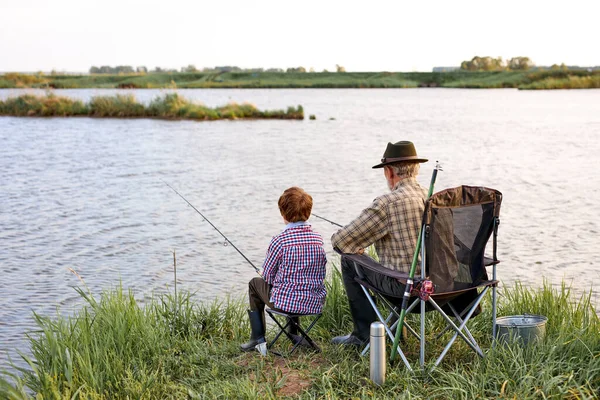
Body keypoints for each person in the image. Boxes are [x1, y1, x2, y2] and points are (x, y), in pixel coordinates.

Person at [331, 141, 429, 346]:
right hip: (441, 290)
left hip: (405, 292)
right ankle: (394, 328)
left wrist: (355, 247)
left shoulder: (387, 203)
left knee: (349, 260)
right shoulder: (433, 198)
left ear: (389, 172)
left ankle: (363, 335)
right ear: (417, 169)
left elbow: (340, 241)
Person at [240, 187, 327, 352]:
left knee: (254, 284)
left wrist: (264, 274)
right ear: (308, 212)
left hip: (286, 305)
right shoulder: (318, 238)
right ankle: (293, 333)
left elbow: (267, 277)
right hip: (314, 303)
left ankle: (257, 339)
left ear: (284, 214)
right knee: (296, 285)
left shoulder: (280, 241)